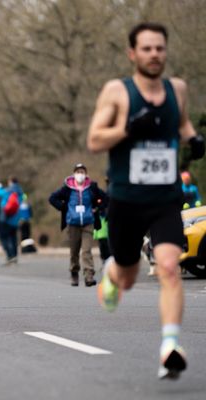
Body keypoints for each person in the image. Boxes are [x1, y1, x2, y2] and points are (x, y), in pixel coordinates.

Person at [87, 22, 205, 379]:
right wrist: (128, 129)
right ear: (133, 53)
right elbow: (95, 139)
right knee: (127, 276)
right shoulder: (118, 92)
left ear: (166, 52)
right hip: (125, 199)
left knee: (170, 266)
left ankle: (170, 346)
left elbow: (182, 124)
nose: (155, 54)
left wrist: (194, 140)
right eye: (147, 48)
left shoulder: (177, 90)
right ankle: (112, 272)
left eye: (160, 48)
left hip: (165, 198)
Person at [49, 163, 107, 286]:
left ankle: (89, 276)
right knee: (74, 251)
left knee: (86, 250)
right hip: (73, 222)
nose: (80, 174)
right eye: (78, 171)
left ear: (85, 174)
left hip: (88, 222)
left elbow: (106, 198)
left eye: (82, 172)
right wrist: (63, 207)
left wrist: (98, 208)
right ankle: (74, 273)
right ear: (74, 173)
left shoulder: (92, 187)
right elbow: (52, 198)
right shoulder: (67, 188)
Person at [0, 177, 23, 264]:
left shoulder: (8, 190)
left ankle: (10, 255)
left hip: (5, 218)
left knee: (3, 238)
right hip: (15, 219)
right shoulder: (20, 192)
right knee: (13, 238)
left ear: (10, 182)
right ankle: (14, 256)